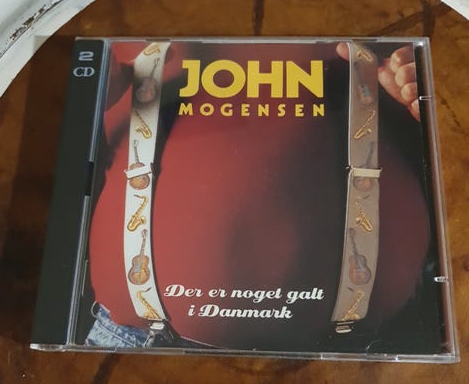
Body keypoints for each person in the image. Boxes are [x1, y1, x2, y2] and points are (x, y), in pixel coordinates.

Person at [85, 40, 429, 351]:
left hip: (368, 351)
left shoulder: (397, 23)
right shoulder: (121, 20)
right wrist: (83, 106)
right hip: (135, 344)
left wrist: (431, 103)